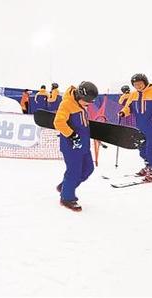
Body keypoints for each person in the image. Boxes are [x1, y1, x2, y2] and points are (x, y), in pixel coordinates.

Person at [119, 74, 152, 181]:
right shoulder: (133, 95)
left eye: (140, 84)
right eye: (135, 84)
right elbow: (128, 107)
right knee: (142, 148)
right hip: (141, 126)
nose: (138, 86)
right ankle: (148, 166)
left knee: (151, 149)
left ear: (145, 82)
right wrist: (123, 112)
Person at [53, 82, 99, 212]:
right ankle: (67, 198)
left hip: (83, 144)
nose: (88, 104)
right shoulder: (67, 104)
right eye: (86, 102)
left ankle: (65, 186)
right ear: (79, 96)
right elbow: (58, 122)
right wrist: (72, 135)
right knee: (74, 172)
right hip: (71, 145)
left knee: (88, 169)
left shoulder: (81, 104)